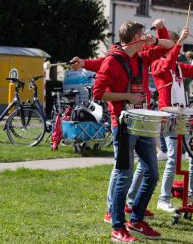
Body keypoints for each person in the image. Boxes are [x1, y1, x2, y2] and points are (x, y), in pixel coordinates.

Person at [70, 20, 174, 225]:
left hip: (141, 120)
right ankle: (115, 215)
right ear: (136, 38)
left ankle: (133, 215)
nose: (146, 36)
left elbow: (169, 46)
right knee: (122, 172)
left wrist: (155, 38)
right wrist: (127, 96)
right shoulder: (116, 58)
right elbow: (102, 81)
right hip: (124, 123)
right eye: (143, 34)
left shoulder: (141, 57)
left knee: (148, 173)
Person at [150, 35, 193, 213]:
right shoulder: (158, 63)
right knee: (172, 158)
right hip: (168, 114)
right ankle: (163, 198)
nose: (180, 50)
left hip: (182, 112)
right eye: (177, 47)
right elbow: (167, 65)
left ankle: (192, 193)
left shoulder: (178, 66)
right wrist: (177, 44)